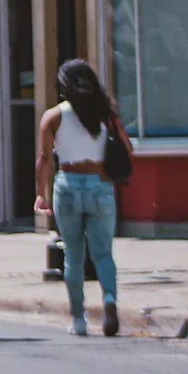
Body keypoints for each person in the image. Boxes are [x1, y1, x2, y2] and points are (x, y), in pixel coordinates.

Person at [36, 58, 131, 337]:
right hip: (100, 185)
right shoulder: (106, 114)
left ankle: (79, 319)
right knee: (103, 253)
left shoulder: (53, 117)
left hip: (67, 185)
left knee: (73, 254)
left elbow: (43, 159)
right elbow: (127, 148)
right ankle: (110, 300)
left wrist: (40, 194)